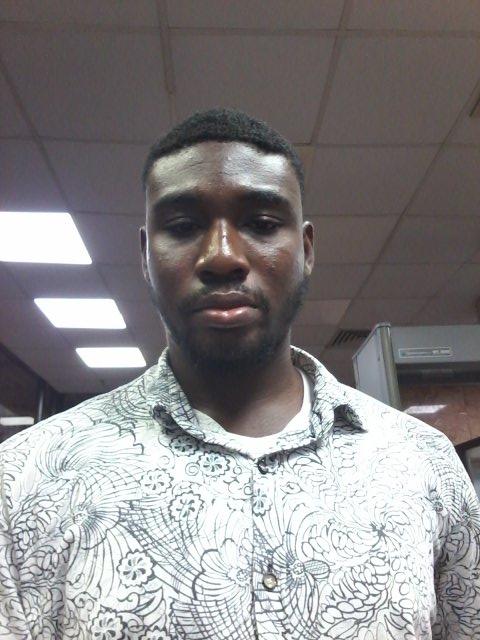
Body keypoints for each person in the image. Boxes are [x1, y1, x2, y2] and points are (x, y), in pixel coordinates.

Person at [0, 109, 479, 640]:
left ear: (307, 250)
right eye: (183, 227)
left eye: (262, 223)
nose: (222, 256)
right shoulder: (25, 481)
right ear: (145, 256)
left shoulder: (424, 465)